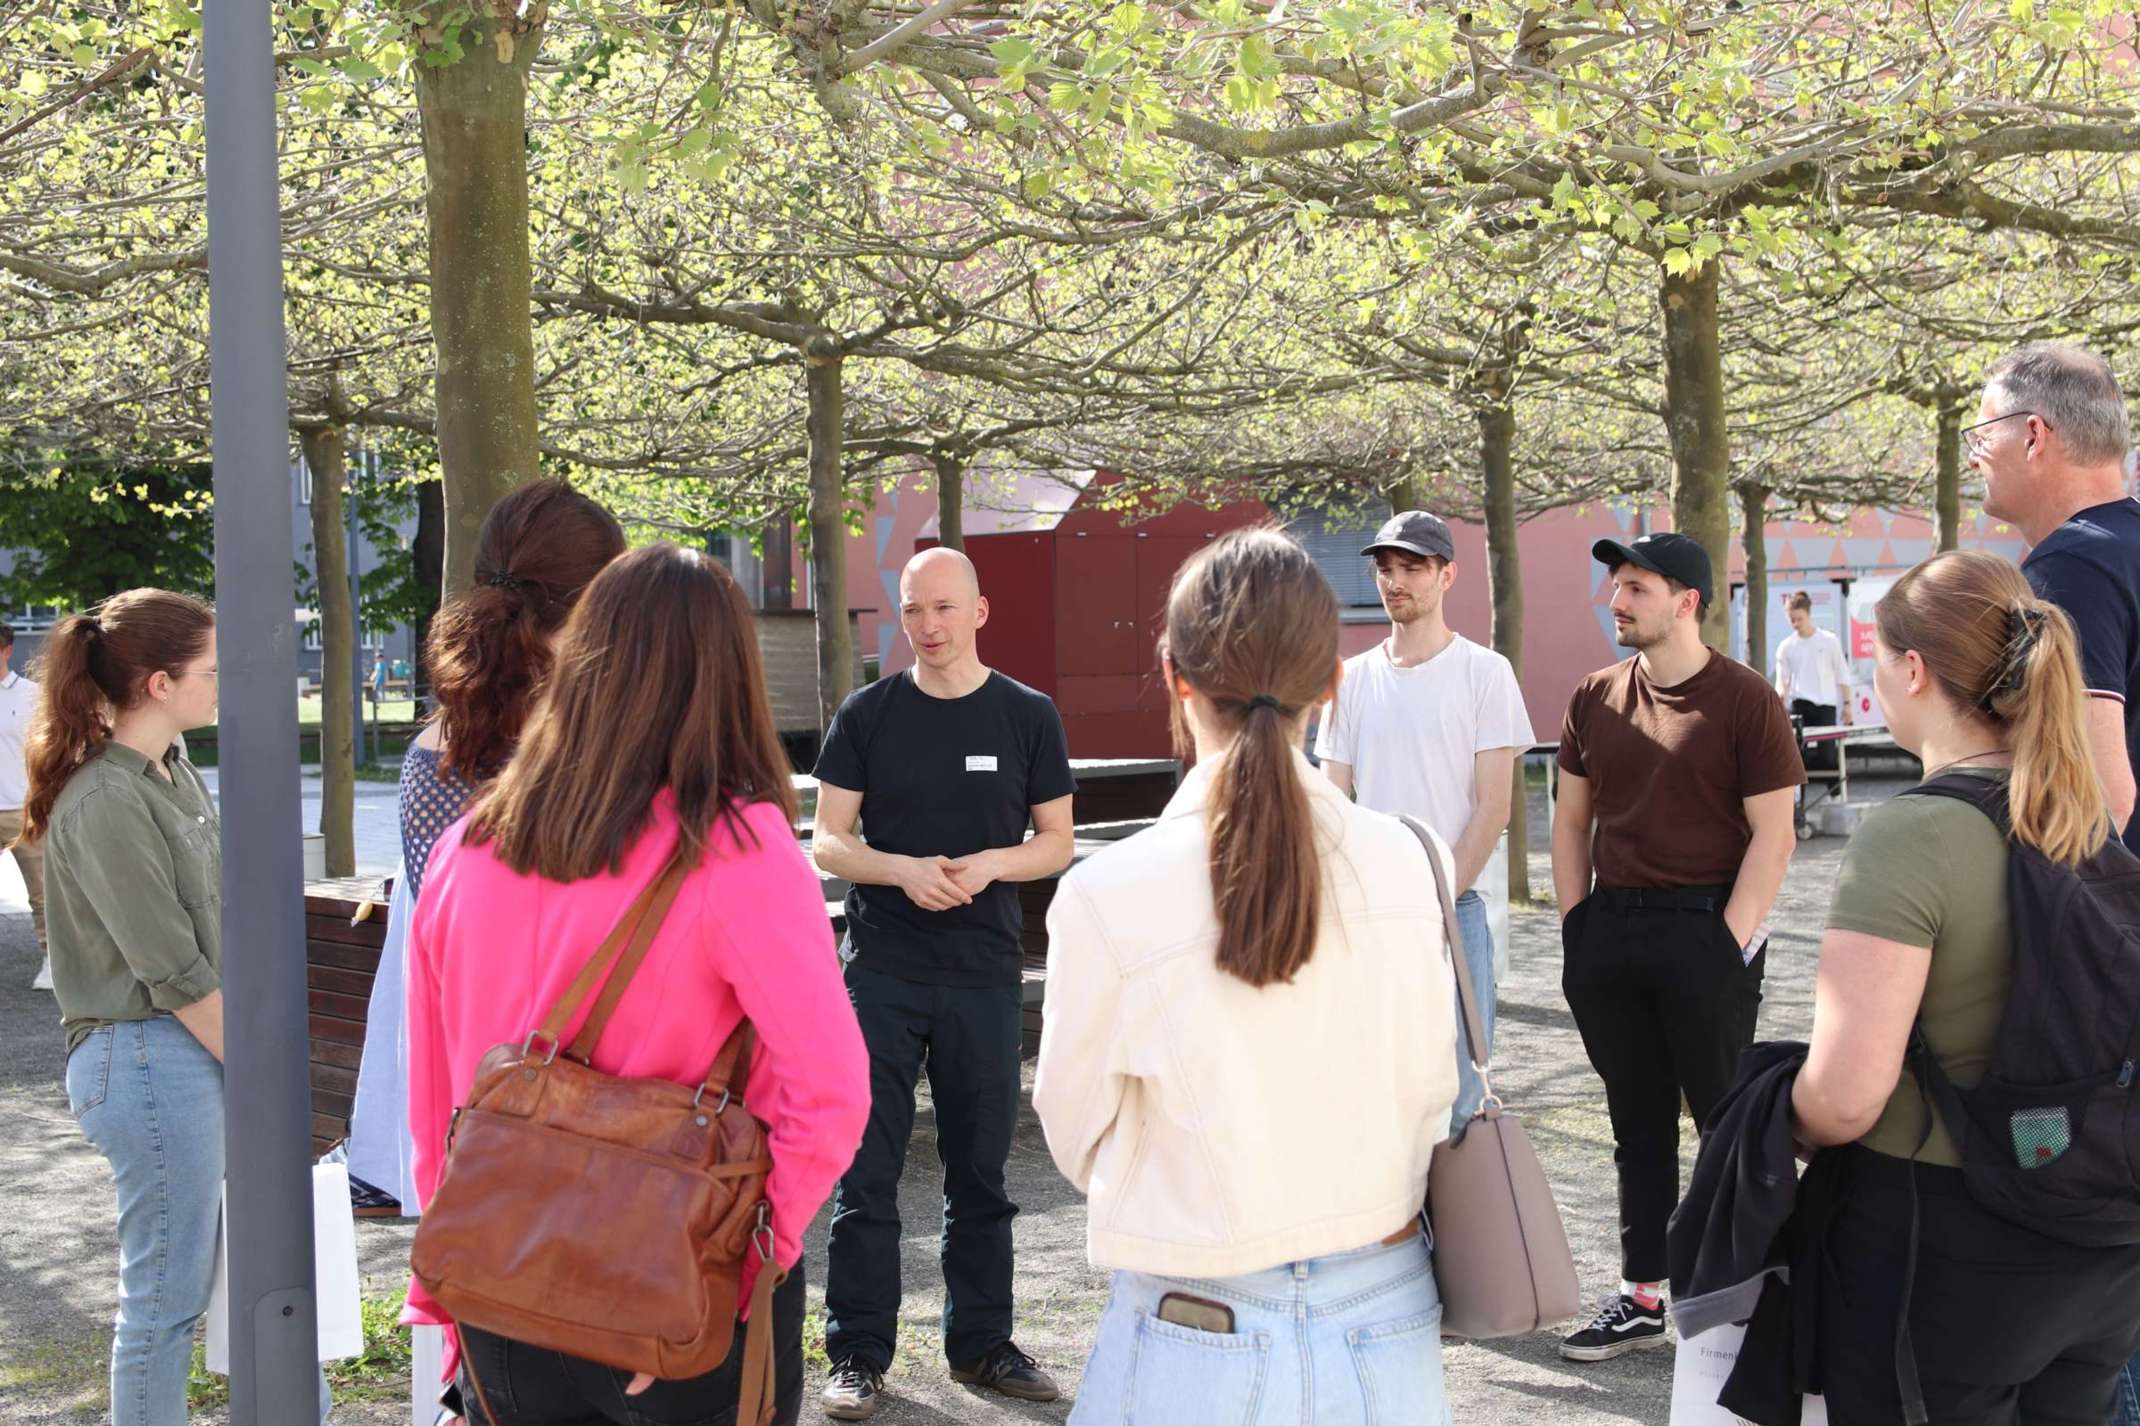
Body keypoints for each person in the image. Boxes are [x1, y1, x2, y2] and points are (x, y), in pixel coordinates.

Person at [405, 543, 871, 1426]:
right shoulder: (736, 847)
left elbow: (436, 1094)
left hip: (500, 1270)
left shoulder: (468, 847)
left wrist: (450, 1286)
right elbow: (833, 1090)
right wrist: (753, 1257)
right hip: (679, 1278)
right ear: (731, 674)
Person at [1035, 526, 1461, 1425]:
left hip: (1196, 1310)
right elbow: (1432, 1092)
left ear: (1173, 676)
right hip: (1386, 1308)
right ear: (1333, 684)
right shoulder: (1411, 860)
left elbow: (1076, 1131)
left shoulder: (1106, 894)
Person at [1790, 550, 2140, 1421]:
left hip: (1951, 1240)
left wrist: (1761, 1120)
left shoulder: (1912, 836)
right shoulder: (2079, 815)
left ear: (1912, 670)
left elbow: (1843, 1098)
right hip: (2099, 1241)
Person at [21, 589, 330, 1426]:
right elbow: (174, 972)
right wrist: (268, 1078)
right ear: (160, 683)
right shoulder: (107, 799)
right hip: (151, 1058)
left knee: (266, 1277)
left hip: (187, 1051)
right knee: (165, 1304)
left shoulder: (172, 768)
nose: (224, 683)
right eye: (211, 670)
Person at [812, 546, 1076, 1420]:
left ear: (979, 612)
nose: (927, 626)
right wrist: (897, 871)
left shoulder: (1027, 715)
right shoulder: (869, 713)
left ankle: (983, 1346)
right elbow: (828, 840)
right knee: (867, 1173)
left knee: (981, 1175)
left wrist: (996, 862)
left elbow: (1056, 842)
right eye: (914, 609)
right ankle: (855, 1355)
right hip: (882, 973)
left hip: (983, 977)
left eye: (944, 609)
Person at [343, 479, 627, 1217]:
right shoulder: (602, 734)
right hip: (587, 1078)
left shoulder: (440, 743)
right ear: (596, 597)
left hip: (472, 1075)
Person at [1552, 531, 1803, 1360]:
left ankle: (1755, 1295)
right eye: (1616, 587)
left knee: (1727, 1126)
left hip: (1705, 929)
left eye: (1635, 588)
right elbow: (1571, 819)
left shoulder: (1746, 699)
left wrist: (1726, 945)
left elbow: (1775, 836)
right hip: (1612, 934)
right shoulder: (1593, 695)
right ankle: (1643, 1295)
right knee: (1638, 1124)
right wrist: (1574, 924)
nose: (1617, 602)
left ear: (1687, 600)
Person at [1315, 509, 1532, 1130]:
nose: (1395, 581)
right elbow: (1334, 805)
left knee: (1463, 1100)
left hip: (1457, 910)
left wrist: (1439, 897)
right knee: (1380, 1093)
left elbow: (1494, 805)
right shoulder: (1351, 680)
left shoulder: (1485, 673)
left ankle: (1464, 1226)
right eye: (1386, 569)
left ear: (1448, 575)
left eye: (1413, 567)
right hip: (1373, 908)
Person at [1967, 343, 2140, 852]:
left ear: (2033, 436)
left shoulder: (2071, 565)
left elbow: (2099, 798)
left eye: (1980, 436)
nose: (1974, 458)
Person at [0, 621, 50, 990]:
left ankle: (53, 961)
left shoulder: (34, 696)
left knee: (43, 892)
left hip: (24, 809)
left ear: (6, 650)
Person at [1774, 589, 1852, 737]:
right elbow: (1781, 679)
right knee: (1801, 755)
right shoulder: (1786, 647)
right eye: (1792, 620)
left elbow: (1842, 673)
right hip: (1799, 705)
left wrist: (1848, 705)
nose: (1796, 623)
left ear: (1809, 614)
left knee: (1827, 758)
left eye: (1799, 619)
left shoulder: (1829, 641)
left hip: (1825, 706)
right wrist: (1781, 694)